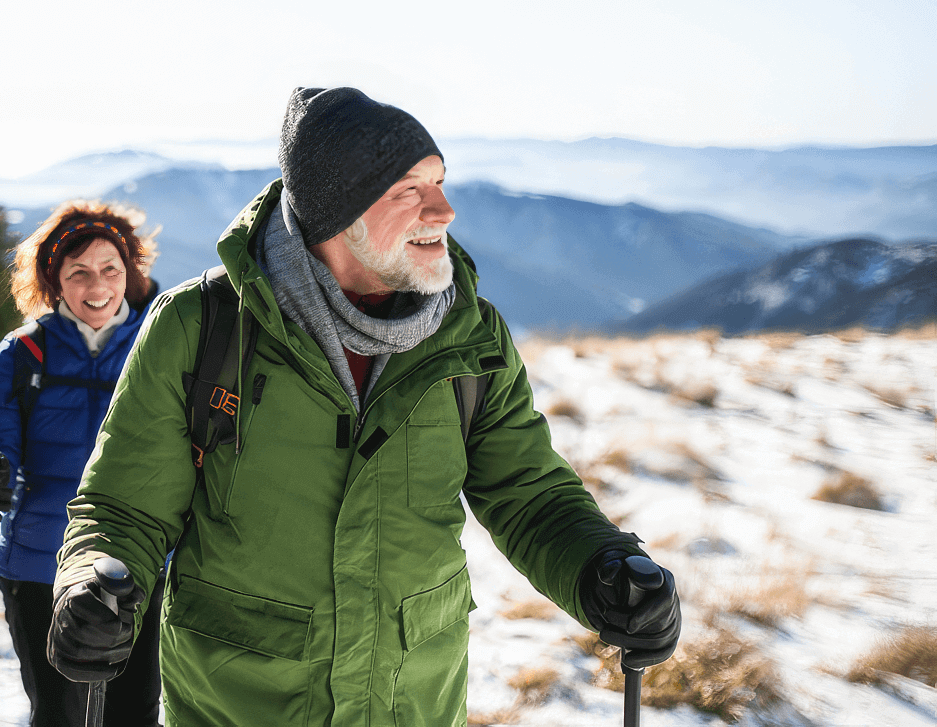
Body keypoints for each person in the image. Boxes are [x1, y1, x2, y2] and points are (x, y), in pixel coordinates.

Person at [45, 88, 681, 726]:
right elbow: (125, 506)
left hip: (412, 704)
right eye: (410, 190)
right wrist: (90, 584)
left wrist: (600, 566)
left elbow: (529, 494)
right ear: (336, 216)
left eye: (439, 182)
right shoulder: (204, 325)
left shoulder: (470, 336)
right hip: (238, 706)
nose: (444, 209)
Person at [0, 200, 164, 727]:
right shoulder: (25, 352)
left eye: (110, 269)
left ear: (130, 273)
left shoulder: (159, 345)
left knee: (132, 712)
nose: (97, 286)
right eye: (79, 273)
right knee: (56, 713)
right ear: (54, 281)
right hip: (38, 562)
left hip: (138, 561)